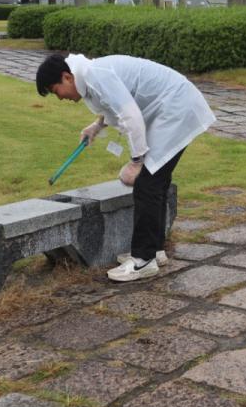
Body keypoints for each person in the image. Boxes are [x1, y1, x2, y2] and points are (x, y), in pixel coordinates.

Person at [36, 53, 216, 282]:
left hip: (177, 107)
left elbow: (130, 116)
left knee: (147, 184)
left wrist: (136, 161)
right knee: (155, 183)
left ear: (66, 77)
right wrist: (96, 126)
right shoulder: (88, 75)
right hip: (172, 107)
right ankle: (154, 250)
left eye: (55, 90)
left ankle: (143, 261)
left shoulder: (95, 75)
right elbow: (114, 103)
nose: (59, 98)